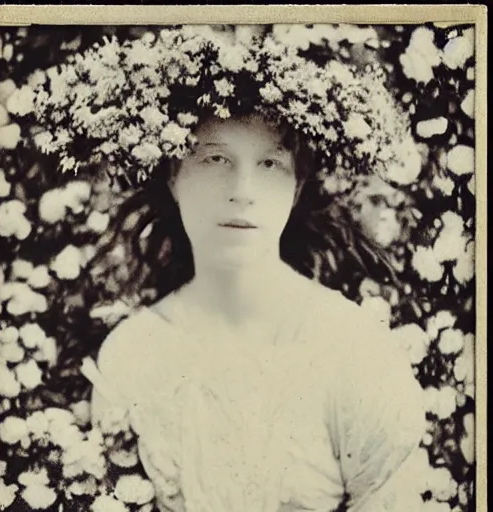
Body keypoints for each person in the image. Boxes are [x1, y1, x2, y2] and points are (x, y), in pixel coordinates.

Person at [26, 25, 427, 512]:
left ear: (297, 187)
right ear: (173, 174)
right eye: (215, 158)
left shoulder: (352, 349)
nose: (243, 190)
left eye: (270, 164)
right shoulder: (133, 355)